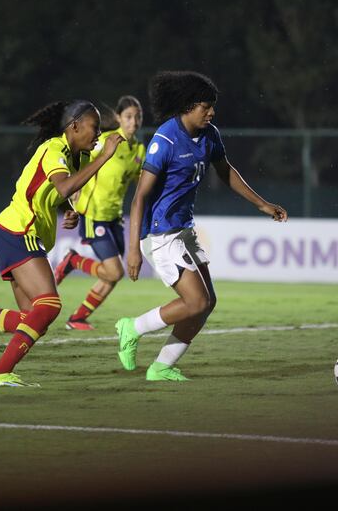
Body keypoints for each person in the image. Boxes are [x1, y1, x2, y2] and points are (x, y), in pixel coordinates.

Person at [0, 100, 123, 387]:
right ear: (75, 126)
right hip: (19, 231)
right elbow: (64, 185)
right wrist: (105, 156)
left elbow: (57, 191)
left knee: (31, 319)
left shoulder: (74, 156)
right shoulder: (54, 149)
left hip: (14, 232)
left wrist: (67, 209)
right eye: (95, 128)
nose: (98, 135)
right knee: (50, 306)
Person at [116, 71, 287, 382]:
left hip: (183, 230)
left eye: (213, 107)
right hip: (160, 234)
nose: (211, 112)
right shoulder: (165, 140)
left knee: (207, 305)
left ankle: (162, 366)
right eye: (206, 106)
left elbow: (226, 171)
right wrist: (132, 250)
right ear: (188, 106)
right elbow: (139, 197)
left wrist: (262, 204)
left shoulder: (210, 135)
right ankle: (132, 327)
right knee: (196, 301)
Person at [53, 96, 146, 330]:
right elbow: (81, 164)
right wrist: (74, 192)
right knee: (114, 271)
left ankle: (77, 318)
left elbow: (140, 183)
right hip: (93, 214)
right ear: (118, 117)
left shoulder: (139, 150)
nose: (133, 121)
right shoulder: (104, 141)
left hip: (115, 217)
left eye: (137, 117)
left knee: (113, 275)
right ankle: (73, 261)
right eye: (128, 116)